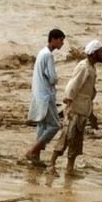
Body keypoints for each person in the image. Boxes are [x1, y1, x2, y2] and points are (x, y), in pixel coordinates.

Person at [49, 40, 102, 176]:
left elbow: (89, 93)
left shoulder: (91, 67)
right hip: (74, 110)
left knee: (76, 141)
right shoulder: (83, 67)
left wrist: (91, 114)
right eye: (100, 52)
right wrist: (69, 104)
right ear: (93, 53)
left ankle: (69, 168)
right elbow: (72, 86)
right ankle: (51, 164)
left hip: (83, 110)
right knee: (66, 138)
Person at [26, 29, 66, 167]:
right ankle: (33, 151)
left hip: (38, 94)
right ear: (53, 39)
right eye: (61, 40)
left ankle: (35, 157)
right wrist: (56, 80)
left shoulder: (41, 53)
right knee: (55, 125)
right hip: (46, 96)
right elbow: (53, 78)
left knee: (42, 125)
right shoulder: (48, 55)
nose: (62, 43)